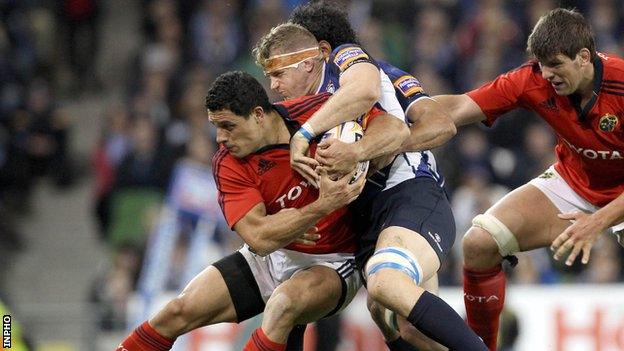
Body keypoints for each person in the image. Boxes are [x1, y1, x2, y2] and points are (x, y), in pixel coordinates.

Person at [115, 70, 405, 351]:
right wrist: (322, 205)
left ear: (257, 115)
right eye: (215, 126)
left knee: (282, 304)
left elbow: (394, 127)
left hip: (333, 261)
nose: (220, 138)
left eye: (228, 126)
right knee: (175, 312)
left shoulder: (317, 113)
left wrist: (357, 151)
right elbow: (260, 239)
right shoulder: (228, 163)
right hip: (270, 259)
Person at [254, 14, 486, 351]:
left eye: (279, 73)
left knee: (385, 281)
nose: (274, 84)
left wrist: (365, 150)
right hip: (362, 215)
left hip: (408, 191)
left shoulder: (358, 65)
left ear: (319, 52)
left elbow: (440, 125)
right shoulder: (292, 110)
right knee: (391, 318)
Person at [434, 8, 624, 350]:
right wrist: (405, 111)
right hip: (576, 182)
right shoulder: (533, 78)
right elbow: (460, 106)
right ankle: (480, 347)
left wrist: (596, 222)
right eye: (541, 65)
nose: (547, 74)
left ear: (584, 57)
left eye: (555, 64)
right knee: (479, 243)